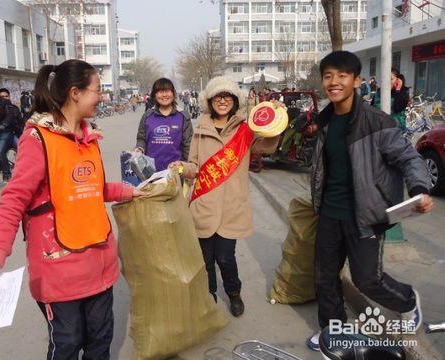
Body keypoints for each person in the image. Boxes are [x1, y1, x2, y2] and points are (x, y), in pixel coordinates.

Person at [0, 60, 145, 360]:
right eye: (98, 90)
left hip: (100, 266)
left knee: (100, 342)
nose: (101, 97)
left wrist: (132, 191)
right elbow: (14, 198)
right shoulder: (39, 139)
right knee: (66, 344)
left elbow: (95, 188)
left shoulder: (89, 138)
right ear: (75, 93)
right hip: (59, 270)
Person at [307, 51, 433, 351]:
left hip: (365, 214)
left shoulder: (377, 121)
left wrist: (418, 188)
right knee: (325, 277)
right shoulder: (324, 121)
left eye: (342, 76)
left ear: (356, 81)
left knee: (367, 280)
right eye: (328, 76)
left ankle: (407, 299)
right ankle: (333, 332)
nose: (334, 82)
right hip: (329, 212)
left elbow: (408, 156)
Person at [171, 76, 280, 317]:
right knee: (206, 260)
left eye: (227, 96)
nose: (222, 100)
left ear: (234, 100)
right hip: (204, 204)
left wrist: (276, 121)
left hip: (232, 205)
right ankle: (208, 297)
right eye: (217, 96)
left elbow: (267, 147)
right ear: (209, 101)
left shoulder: (245, 129)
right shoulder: (201, 127)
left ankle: (233, 293)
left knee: (225, 257)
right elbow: (194, 165)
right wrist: (180, 167)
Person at [135, 78, 193, 171]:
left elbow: (188, 146)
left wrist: (186, 170)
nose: (164, 95)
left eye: (167, 91)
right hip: (151, 172)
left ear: (173, 93)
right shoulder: (147, 116)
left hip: (176, 172)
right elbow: (141, 139)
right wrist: (139, 148)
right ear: (154, 95)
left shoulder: (183, 117)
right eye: (160, 92)